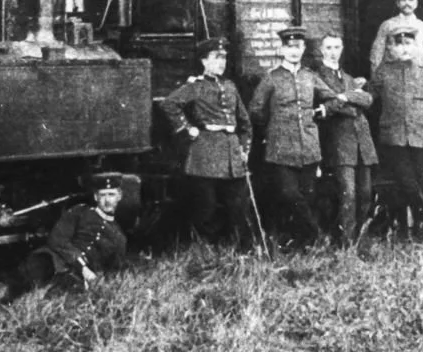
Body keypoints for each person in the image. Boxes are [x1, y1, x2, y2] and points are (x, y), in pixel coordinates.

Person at [158, 37, 255, 249]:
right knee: (206, 208)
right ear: (204, 61)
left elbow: (245, 123)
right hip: (206, 154)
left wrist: (244, 149)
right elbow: (169, 104)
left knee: (239, 205)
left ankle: (242, 249)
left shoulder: (230, 86)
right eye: (216, 58)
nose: (221, 63)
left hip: (231, 155)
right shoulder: (196, 87)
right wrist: (187, 129)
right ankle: (205, 251)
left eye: (224, 58)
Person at [249, 27, 337, 246]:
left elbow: (333, 99)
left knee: (308, 196)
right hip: (281, 148)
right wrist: (272, 129)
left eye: (298, 47)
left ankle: (301, 243)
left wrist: (323, 110)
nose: (294, 51)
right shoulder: (272, 78)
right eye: (289, 47)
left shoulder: (310, 77)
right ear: (281, 49)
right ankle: (316, 236)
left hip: (308, 146)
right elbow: (256, 110)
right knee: (289, 194)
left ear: (303, 48)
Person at [0, 174, 129, 300]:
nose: (107, 200)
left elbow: (113, 270)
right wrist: (83, 267)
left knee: (62, 295)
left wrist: (95, 279)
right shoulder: (79, 212)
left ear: (119, 196)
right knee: (33, 270)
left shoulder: (118, 237)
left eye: (111, 195)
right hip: (53, 260)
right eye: (103, 195)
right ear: (95, 197)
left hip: (74, 277)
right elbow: (57, 239)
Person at [369, 27, 423, 239]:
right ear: (391, 48)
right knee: (407, 180)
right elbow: (370, 99)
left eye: (408, 44)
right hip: (393, 138)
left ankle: (410, 230)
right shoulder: (383, 73)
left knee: (412, 183)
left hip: (420, 138)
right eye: (399, 45)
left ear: (416, 47)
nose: (404, 49)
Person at [312, 33, 378, 244]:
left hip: (362, 142)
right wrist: (350, 99)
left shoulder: (347, 77)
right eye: (329, 48)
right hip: (340, 143)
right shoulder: (318, 77)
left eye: (337, 47)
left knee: (366, 193)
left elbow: (367, 100)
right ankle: (347, 241)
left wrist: (345, 96)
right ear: (321, 50)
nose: (333, 52)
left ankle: (360, 238)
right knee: (347, 193)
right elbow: (330, 105)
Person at [368, 0, 423, 73]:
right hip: (392, 74)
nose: (407, 3)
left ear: (416, 3)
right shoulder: (387, 25)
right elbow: (376, 53)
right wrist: (377, 76)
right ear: (397, 3)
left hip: (416, 75)